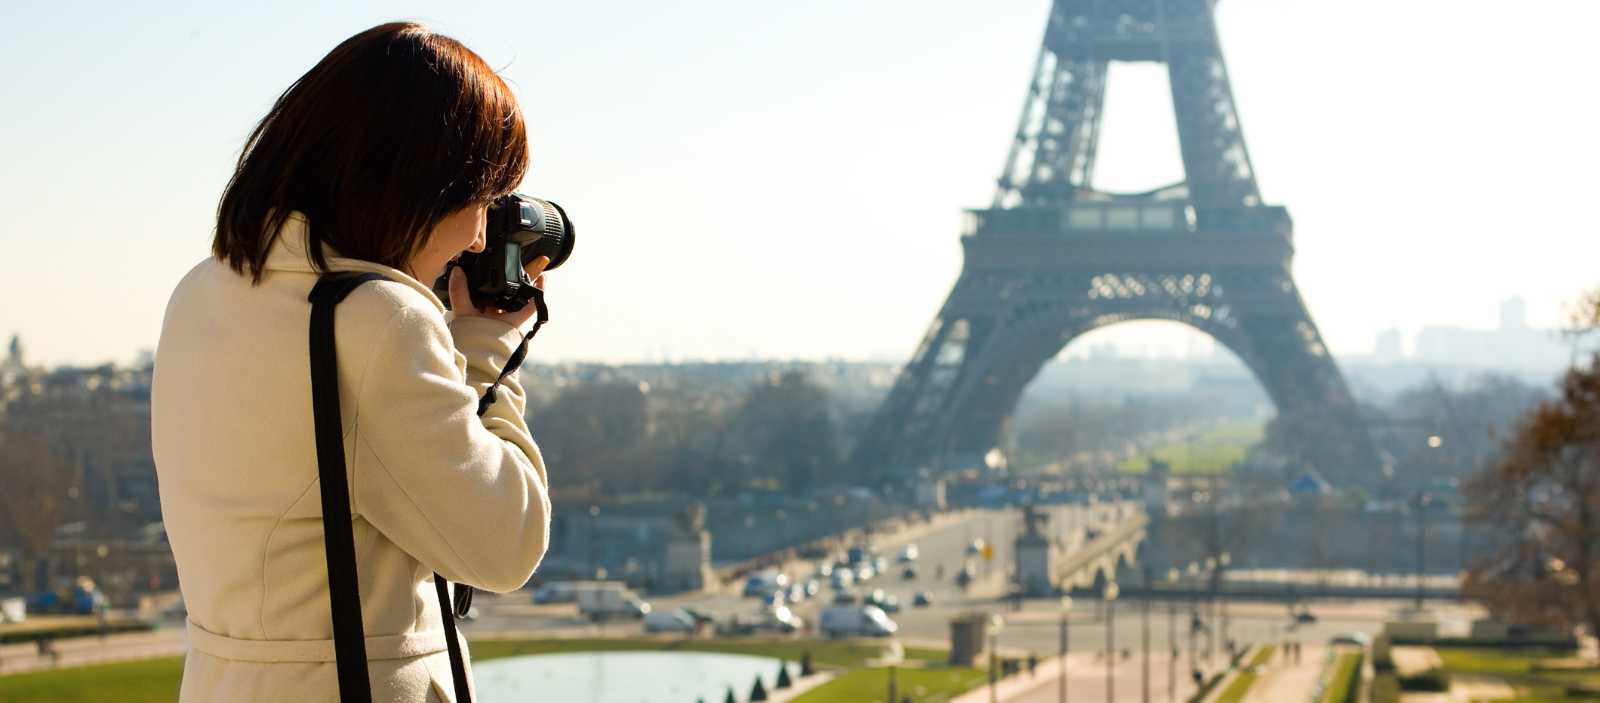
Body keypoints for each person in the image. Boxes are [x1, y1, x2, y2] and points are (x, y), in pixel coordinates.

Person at [151, 22, 552, 702]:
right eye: (478, 199)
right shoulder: (380, 321)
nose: (481, 233)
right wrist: (486, 352)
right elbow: (506, 541)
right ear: (416, 184)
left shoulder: (202, 291)